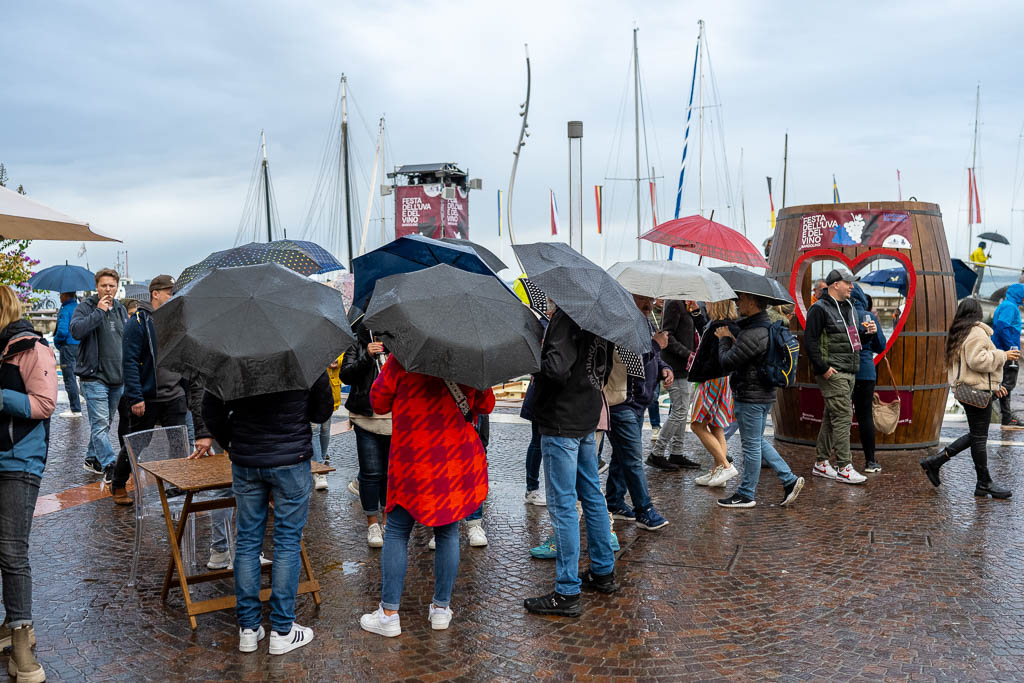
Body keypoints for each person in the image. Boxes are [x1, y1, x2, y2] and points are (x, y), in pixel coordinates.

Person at [358, 356, 494, 637]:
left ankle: (389, 615)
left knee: (396, 531)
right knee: (447, 532)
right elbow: (485, 405)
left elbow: (379, 402)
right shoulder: (467, 357)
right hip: (452, 460)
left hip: (412, 457)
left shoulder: (403, 359)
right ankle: (441, 610)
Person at [203, 370, 333, 654]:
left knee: (248, 542)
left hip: (247, 460)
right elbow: (323, 409)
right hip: (290, 458)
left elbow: (210, 412)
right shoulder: (302, 351)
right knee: (287, 542)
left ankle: (248, 628)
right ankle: (283, 630)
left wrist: (233, 442)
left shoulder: (233, 353)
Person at [523, 307, 616, 618]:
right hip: (587, 415)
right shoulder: (602, 317)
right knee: (592, 496)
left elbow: (556, 369)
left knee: (563, 505)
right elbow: (604, 367)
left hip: (562, 420)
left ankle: (566, 591)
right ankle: (603, 571)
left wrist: (535, 359)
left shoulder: (566, 316)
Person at [0, 284, 58, 683]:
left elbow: (45, 404)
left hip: (19, 459)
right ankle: (12, 625)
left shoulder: (31, 348)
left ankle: (22, 648)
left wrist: (1, 396)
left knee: (11, 550)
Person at [920, 298, 1017, 498]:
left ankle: (936, 462)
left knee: (976, 435)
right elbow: (978, 361)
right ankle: (984, 482)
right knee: (979, 438)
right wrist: (1003, 355)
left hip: (966, 391)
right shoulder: (977, 332)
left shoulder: (959, 332)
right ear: (977, 313)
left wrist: (994, 387)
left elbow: (965, 366)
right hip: (977, 392)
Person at [715, 292, 805, 508]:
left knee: (752, 445)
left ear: (753, 303)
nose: (738, 304)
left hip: (751, 395)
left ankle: (746, 494)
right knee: (757, 440)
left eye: (741, 300)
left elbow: (727, 362)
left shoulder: (755, 332)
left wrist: (725, 339)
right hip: (762, 394)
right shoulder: (763, 327)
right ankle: (789, 480)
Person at [109, 276, 188, 505]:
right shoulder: (138, 323)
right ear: (156, 293)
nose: (173, 297)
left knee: (179, 444)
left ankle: (177, 486)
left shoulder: (175, 320)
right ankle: (118, 483)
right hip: (148, 395)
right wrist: (135, 396)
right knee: (137, 444)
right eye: (169, 293)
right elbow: (130, 361)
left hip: (174, 393)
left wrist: (187, 391)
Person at [604, 294, 673, 531]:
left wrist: (664, 367)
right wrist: (656, 344)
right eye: (644, 298)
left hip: (636, 400)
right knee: (633, 458)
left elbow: (653, 359)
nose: (650, 303)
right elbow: (633, 359)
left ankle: (613, 500)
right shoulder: (621, 323)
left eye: (651, 299)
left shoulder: (646, 321)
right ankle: (644, 510)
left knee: (622, 454)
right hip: (621, 400)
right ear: (630, 296)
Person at [804, 267, 876, 485]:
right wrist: (823, 368)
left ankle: (821, 462)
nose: (852, 287)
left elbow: (853, 340)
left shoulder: (851, 308)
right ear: (836, 284)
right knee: (844, 416)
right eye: (849, 283)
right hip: (833, 372)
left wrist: (866, 333)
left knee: (831, 416)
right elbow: (810, 341)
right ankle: (844, 466)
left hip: (849, 370)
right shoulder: (819, 309)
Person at [70, 268, 128, 482]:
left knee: (104, 423)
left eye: (112, 286)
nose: (108, 289)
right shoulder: (85, 307)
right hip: (94, 377)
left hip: (117, 377)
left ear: (116, 287)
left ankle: (91, 458)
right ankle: (109, 465)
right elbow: (76, 331)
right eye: (104, 285)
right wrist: (99, 312)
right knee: (100, 424)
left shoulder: (121, 309)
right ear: (96, 286)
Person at [340, 323, 392, 548]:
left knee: (391, 474)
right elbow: (346, 376)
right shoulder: (358, 345)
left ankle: (388, 522)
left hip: (396, 419)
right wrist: (367, 357)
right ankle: (372, 524)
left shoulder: (398, 346)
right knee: (371, 473)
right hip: (366, 417)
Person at [648, 299, 705, 471]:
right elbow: (668, 335)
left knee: (682, 410)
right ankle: (657, 453)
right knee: (680, 411)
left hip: (686, 367)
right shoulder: (674, 302)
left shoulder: (688, 303)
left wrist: (695, 313)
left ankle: (677, 452)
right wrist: (688, 354)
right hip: (676, 365)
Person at [692, 300, 739, 488]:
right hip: (723, 380)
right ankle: (718, 471)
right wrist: (696, 314)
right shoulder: (726, 325)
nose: (707, 305)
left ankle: (726, 466)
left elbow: (713, 355)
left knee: (697, 425)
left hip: (711, 380)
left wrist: (699, 371)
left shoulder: (719, 326)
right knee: (716, 426)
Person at [850, 287, 887, 473]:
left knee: (838, 417)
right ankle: (870, 461)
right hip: (865, 372)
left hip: (843, 371)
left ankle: (835, 461)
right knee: (865, 416)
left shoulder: (843, 314)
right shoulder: (868, 317)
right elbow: (881, 346)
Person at [990, 283, 1024, 429]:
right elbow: (1003, 326)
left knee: (1004, 382)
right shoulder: (1010, 307)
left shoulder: (1006, 305)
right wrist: (1012, 347)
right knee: (1008, 383)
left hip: (1001, 350)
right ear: (1020, 295)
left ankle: (1006, 417)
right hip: (1007, 351)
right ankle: (984, 402)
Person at [310, 355, 343, 490]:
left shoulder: (331, 336)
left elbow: (343, 352)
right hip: (311, 389)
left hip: (330, 390)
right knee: (314, 430)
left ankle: (321, 463)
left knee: (325, 430)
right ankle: (320, 471)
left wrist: (337, 361)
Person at [54, 292, 82, 418]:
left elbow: (62, 331)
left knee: (69, 378)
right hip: (80, 345)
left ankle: (75, 409)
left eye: (61, 294)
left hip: (68, 346)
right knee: (82, 376)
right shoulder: (80, 307)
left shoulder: (65, 309)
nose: (59, 297)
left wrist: (57, 342)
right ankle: (80, 400)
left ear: (65, 295)